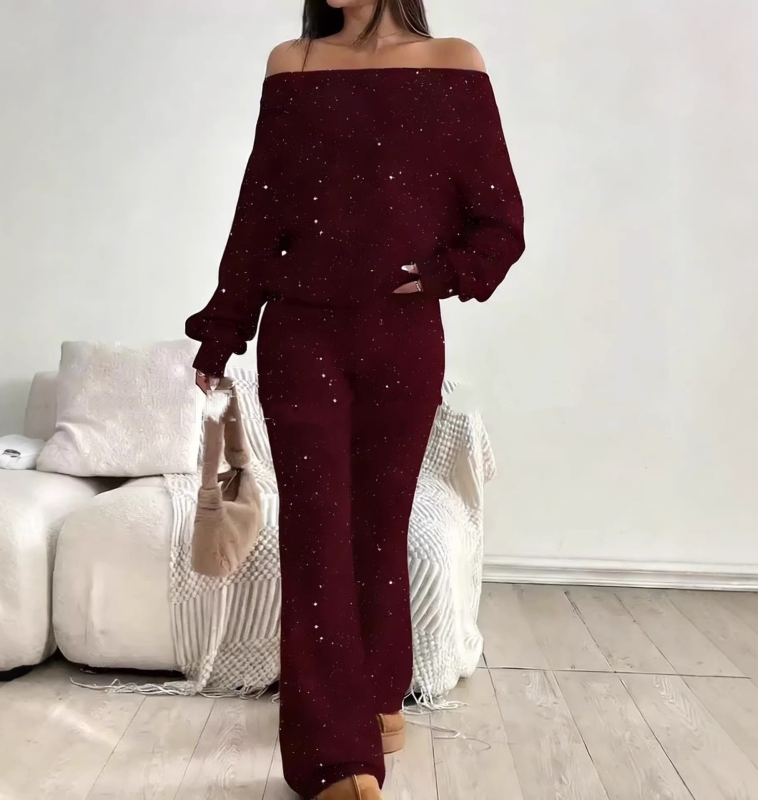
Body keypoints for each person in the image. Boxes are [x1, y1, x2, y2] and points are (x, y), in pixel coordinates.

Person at [185, 1, 524, 797]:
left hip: (404, 338)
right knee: (315, 535)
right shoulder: (293, 63)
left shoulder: (455, 62)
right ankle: (334, 756)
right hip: (301, 333)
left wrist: (441, 276)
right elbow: (260, 210)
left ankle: (376, 695)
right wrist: (224, 328)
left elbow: (500, 222)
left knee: (379, 524)